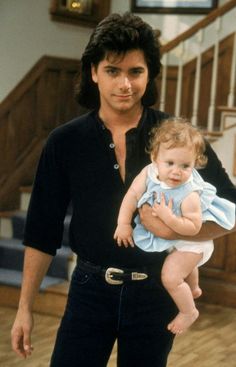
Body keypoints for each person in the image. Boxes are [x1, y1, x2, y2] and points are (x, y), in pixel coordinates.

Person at [10, 12, 236, 367]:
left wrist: (176, 230)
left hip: (156, 292)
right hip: (88, 290)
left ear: (150, 74)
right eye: (113, 71)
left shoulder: (178, 138)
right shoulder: (64, 141)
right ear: (94, 72)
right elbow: (41, 230)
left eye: (136, 71)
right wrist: (24, 308)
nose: (125, 84)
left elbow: (230, 206)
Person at [114, 118, 235, 335]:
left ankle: (188, 311)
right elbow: (132, 195)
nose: (176, 172)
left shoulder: (190, 193)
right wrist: (123, 223)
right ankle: (194, 287)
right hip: (178, 242)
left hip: (193, 243)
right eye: (169, 163)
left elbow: (193, 228)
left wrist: (167, 218)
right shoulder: (149, 172)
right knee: (179, 263)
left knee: (170, 276)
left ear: (194, 164)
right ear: (155, 158)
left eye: (185, 166)